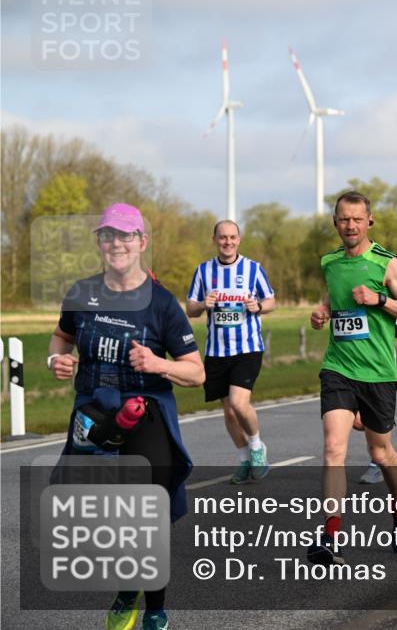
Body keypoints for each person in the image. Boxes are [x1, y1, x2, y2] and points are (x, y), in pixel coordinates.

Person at [48, 203, 205, 630]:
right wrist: (55, 361)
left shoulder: (162, 303)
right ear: (99, 242)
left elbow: (196, 371)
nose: (116, 243)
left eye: (125, 235)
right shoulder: (81, 293)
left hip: (146, 412)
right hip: (95, 412)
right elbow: (62, 337)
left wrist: (160, 365)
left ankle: (151, 607)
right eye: (108, 236)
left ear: (141, 242)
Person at [307, 191, 397, 566]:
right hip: (338, 367)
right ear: (335, 222)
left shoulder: (387, 264)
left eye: (357, 219)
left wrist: (380, 300)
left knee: (380, 452)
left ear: (369, 221)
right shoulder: (330, 262)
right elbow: (333, 298)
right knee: (333, 449)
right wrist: (322, 312)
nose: (350, 225)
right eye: (343, 219)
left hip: (377, 372)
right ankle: (330, 535)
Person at [186, 220, 276, 484]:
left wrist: (257, 306)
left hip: (247, 348)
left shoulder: (252, 269)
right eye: (223, 237)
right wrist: (203, 304)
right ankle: (244, 460)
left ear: (239, 239)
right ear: (214, 239)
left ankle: (257, 447)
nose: (228, 242)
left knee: (239, 403)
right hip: (216, 351)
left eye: (232, 237)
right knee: (228, 412)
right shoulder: (203, 271)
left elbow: (271, 300)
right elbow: (190, 308)